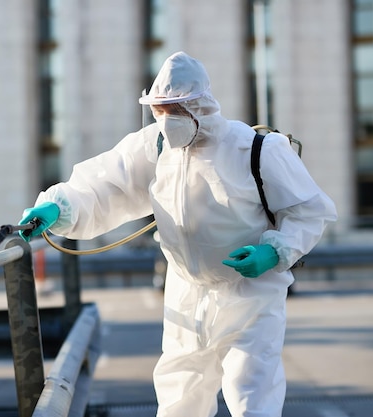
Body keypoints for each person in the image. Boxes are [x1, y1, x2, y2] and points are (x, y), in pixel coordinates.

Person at [18, 51, 337, 417]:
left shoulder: (255, 149)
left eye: (176, 108)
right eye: (161, 109)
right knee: (178, 401)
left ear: (200, 106)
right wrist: (58, 206)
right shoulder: (155, 147)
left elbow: (310, 211)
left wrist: (274, 252)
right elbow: (105, 185)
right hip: (185, 291)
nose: (166, 119)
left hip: (250, 293)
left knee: (252, 398)